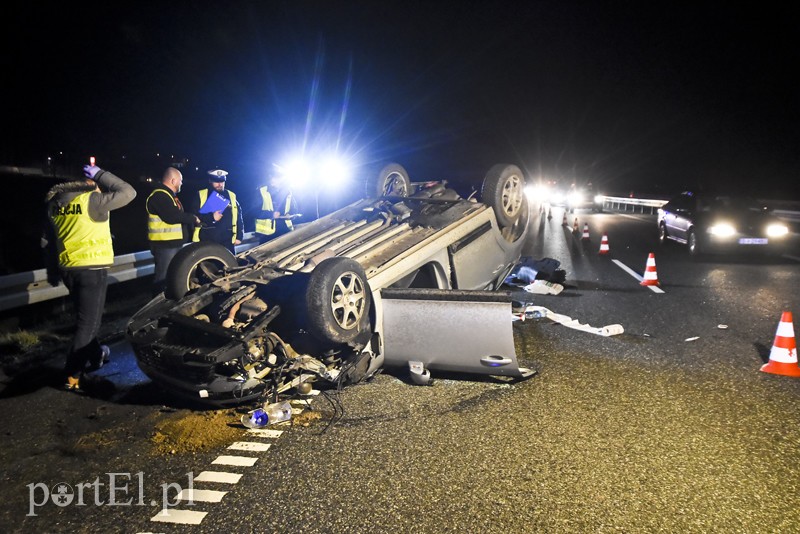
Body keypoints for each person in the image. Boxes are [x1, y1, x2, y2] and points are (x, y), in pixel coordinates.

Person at [43, 163, 136, 393]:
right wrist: (100, 173)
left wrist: (52, 270)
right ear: (89, 186)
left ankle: (97, 355)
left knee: (86, 319)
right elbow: (129, 192)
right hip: (92, 270)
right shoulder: (90, 201)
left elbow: (47, 241)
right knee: (88, 323)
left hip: (69, 269)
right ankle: (72, 376)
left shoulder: (55, 204)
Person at [146, 167, 211, 295]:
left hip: (173, 245)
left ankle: (169, 304)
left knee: (171, 278)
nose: (181, 183)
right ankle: (157, 309)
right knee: (162, 279)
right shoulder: (160, 195)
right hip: (164, 245)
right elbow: (173, 217)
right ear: (173, 180)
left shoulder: (170, 196)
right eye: (180, 180)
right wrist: (193, 218)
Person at [192, 169, 243, 254]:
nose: (220, 184)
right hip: (207, 239)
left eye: (222, 181)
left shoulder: (231, 195)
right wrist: (212, 217)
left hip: (227, 240)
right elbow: (194, 216)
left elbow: (238, 216)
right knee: (208, 266)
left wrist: (239, 236)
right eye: (216, 182)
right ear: (210, 181)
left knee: (229, 265)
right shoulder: (201, 194)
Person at [254, 176, 300, 244]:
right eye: (272, 177)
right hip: (266, 234)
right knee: (266, 253)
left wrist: (290, 214)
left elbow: (295, 209)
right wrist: (271, 214)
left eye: (276, 177)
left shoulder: (288, 192)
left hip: (285, 230)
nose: (272, 179)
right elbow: (254, 212)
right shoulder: (261, 191)